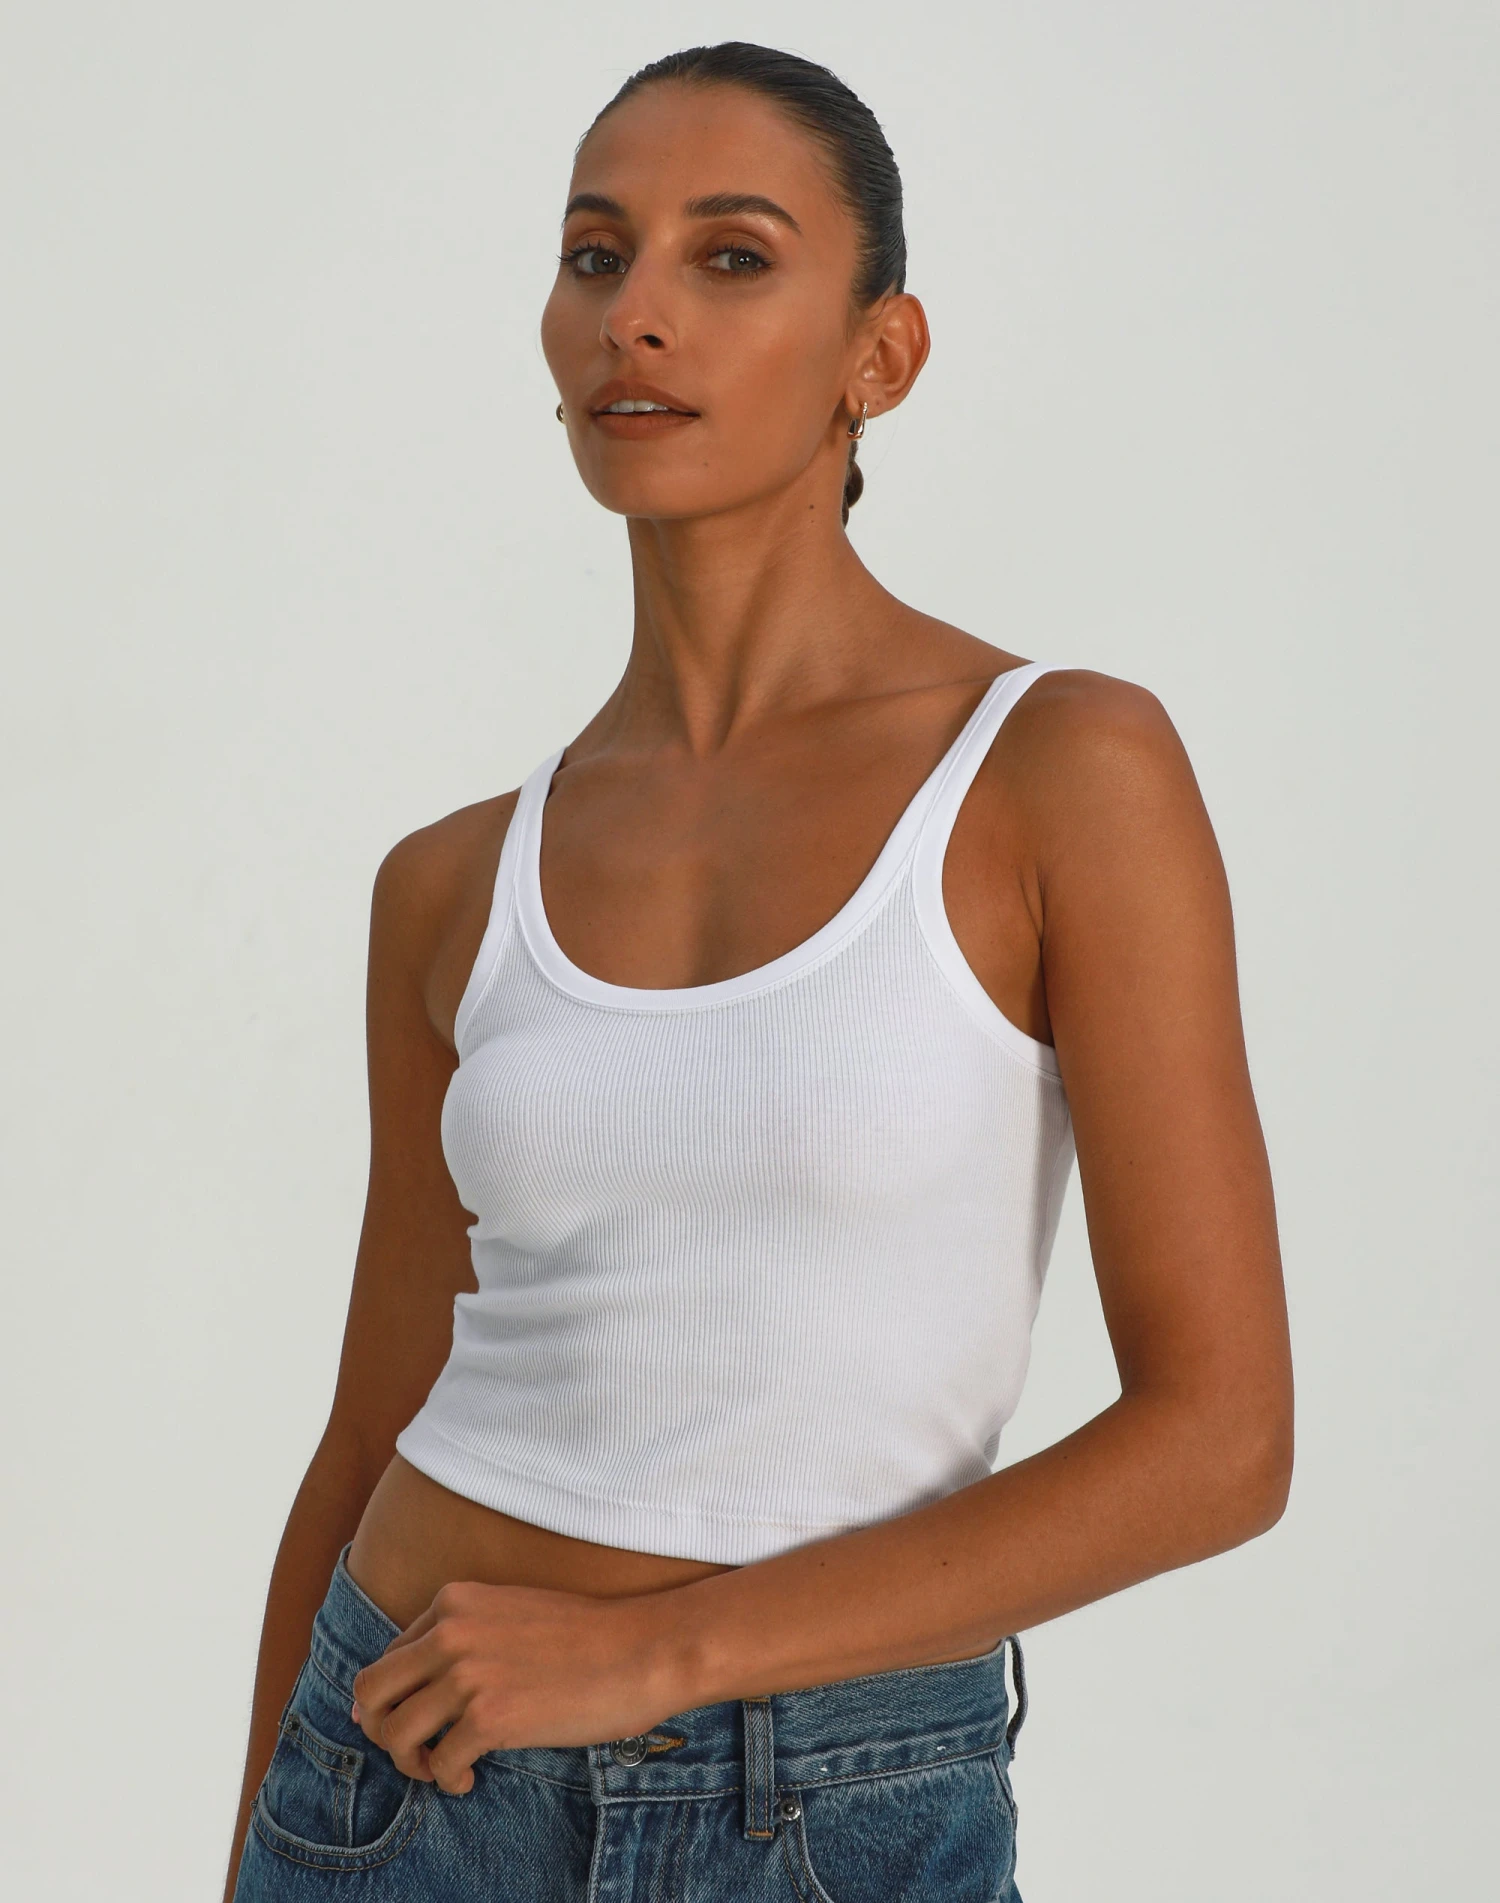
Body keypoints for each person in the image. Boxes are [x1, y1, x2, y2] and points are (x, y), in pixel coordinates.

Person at [224, 40, 1293, 1903]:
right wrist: (254, 1845)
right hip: (393, 1783)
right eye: (595, 255)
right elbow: (367, 1434)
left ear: (882, 355)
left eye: (730, 258)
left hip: (829, 1811)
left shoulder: (1058, 770)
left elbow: (1223, 1441)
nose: (634, 314)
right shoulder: (452, 883)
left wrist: (657, 1656)